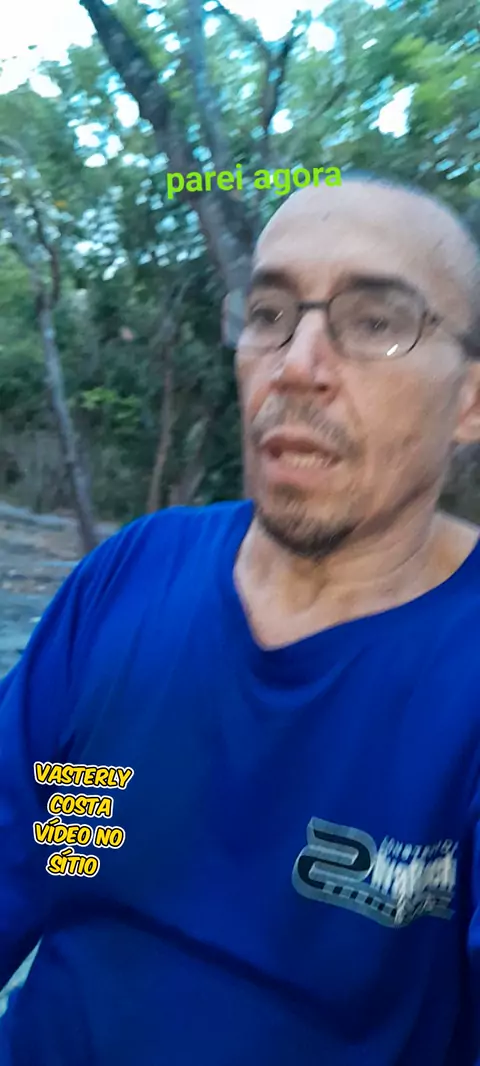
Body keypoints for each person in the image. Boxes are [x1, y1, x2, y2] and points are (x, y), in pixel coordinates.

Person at [1, 173, 480, 1066]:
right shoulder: (133, 578)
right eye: (268, 314)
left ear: (469, 401)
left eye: (375, 321)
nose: (296, 364)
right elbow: (34, 850)